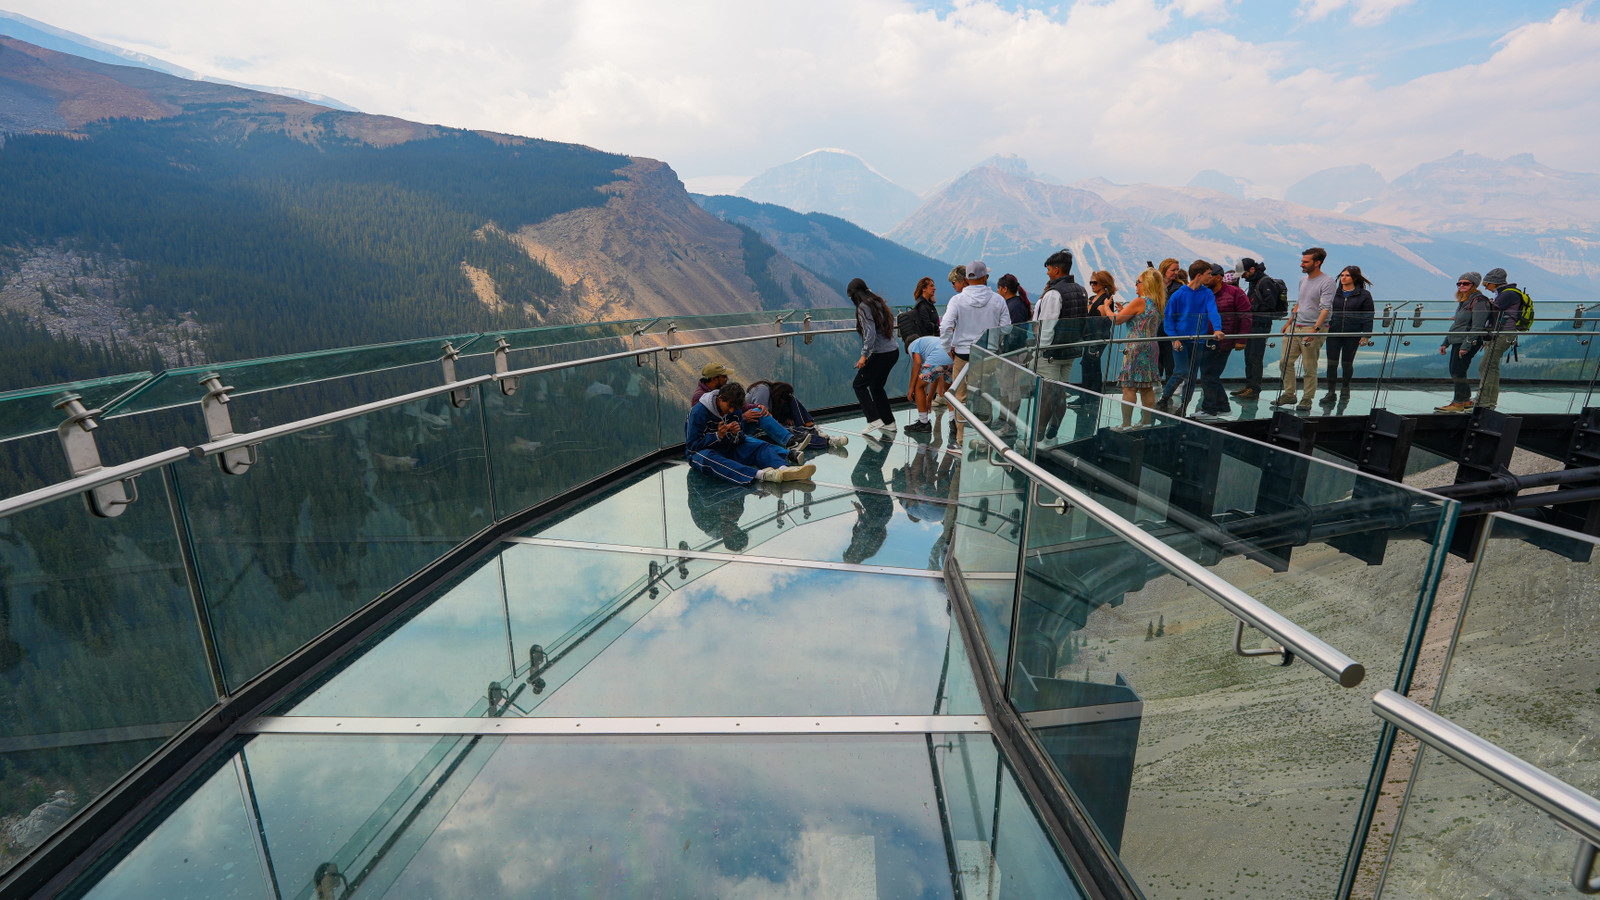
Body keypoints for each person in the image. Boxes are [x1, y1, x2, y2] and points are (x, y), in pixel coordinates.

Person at [939, 259, 1012, 447]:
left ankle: (961, 440)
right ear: (986, 277)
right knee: (985, 396)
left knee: (960, 398)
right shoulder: (998, 300)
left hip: (963, 355)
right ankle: (983, 440)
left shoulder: (957, 300)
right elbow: (1006, 328)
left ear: (967, 279)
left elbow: (946, 326)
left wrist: (948, 348)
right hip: (988, 354)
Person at [687, 382, 815, 485]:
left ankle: (784, 469)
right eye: (729, 406)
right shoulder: (698, 412)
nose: (731, 410)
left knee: (759, 447)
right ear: (720, 399)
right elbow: (692, 446)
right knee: (709, 458)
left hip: (728, 447)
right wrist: (717, 436)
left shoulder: (735, 410)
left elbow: (740, 439)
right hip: (703, 452)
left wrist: (735, 433)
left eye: (734, 408)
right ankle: (760, 475)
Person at [1032, 249, 1090, 439]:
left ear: (1057, 270)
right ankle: (1055, 425)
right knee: (1061, 390)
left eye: (1049, 269)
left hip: (1052, 353)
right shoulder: (1082, 290)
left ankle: (1038, 433)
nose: (1048, 273)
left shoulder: (1053, 294)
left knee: (1047, 392)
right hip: (1072, 350)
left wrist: (1041, 350)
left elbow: (1047, 326)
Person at [1273, 246, 1336, 412]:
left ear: (1317, 263)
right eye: (1302, 261)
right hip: (1296, 327)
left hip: (1313, 328)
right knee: (1284, 362)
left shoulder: (1327, 281)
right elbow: (1300, 304)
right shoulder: (1303, 280)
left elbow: (1326, 308)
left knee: (1309, 367)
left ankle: (1307, 399)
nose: (1302, 264)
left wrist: (1315, 330)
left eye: (1305, 262)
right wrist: (1289, 323)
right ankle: (1289, 393)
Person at [1157, 260, 1224, 415]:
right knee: (1181, 371)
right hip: (1181, 339)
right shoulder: (1179, 294)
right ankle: (1164, 399)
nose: (1210, 276)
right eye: (1208, 274)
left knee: (1192, 376)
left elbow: (1213, 311)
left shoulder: (1206, 293)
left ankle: (1183, 408)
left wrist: (1217, 329)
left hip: (1198, 340)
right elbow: (1168, 318)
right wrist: (1174, 338)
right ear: (1199, 275)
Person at [1110, 267, 1165, 428]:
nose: (1136, 286)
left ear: (1145, 283)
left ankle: (1126, 424)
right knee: (1147, 387)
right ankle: (1146, 422)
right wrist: (1126, 313)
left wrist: (1105, 309)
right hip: (1151, 347)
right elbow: (1141, 320)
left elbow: (1117, 320)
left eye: (1138, 282)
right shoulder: (1157, 303)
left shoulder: (1140, 301)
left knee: (1129, 387)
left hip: (1135, 347)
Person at [692, 361, 796, 447]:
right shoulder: (700, 398)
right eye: (724, 376)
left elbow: (742, 406)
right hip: (724, 436)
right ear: (714, 379)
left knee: (759, 412)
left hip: (737, 426)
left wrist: (758, 406)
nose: (727, 379)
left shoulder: (721, 390)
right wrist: (743, 417)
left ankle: (789, 441)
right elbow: (711, 424)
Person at [1197, 263, 1250, 417]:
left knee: (1209, 374)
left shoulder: (1236, 293)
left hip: (1223, 341)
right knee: (1210, 374)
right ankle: (1223, 407)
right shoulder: (1204, 293)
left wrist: (1242, 339)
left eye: (1209, 275)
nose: (1205, 278)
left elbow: (1246, 316)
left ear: (1218, 277)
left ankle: (1210, 409)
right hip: (1205, 339)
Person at [849, 277, 900, 435]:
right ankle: (889, 422)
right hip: (892, 352)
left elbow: (869, 333)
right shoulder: (876, 302)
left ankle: (874, 420)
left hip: (882, 354)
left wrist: (863, 356)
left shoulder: (863, 307)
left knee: (859, 384)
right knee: (876, 387)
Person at [1474, 267, 1528, 412]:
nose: (1486, 288)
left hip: (1503, 334)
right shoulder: (1509, 293)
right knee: (1491, 366)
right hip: (1504, 334)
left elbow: (1490, 311)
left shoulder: (1507, 294)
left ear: (1495, 282)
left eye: (1487, 285)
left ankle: (1484, 401)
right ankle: (1488, 400)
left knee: (1486, 366)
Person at [1435, 272, 1489, 412]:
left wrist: (1466, 346)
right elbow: (1457, 325)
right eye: (1459, 283)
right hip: (1458, 340)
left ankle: (1458, 402)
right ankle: (1465, 401)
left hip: (1468, 341)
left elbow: (1477, 326)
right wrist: (1445, 342)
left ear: (1474, 285)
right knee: (1457, 370)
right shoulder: (1465, 301)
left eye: (1466, 283)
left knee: (1457, 371)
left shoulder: (1479, 301)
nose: (1461, 286)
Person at [1321, 265, 1375, 404]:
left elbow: (1368, 316)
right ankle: (1331, 392)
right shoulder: (1334, 293)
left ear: (1354, 278)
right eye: (1342, 275)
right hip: (1334, 332)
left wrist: (1366, 334)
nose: (1343, 278)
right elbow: (1324, 310)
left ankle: (1345, 388)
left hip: (1352, 333)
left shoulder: (1364, 295)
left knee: (1347, 363)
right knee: (1331, 363)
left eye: (1347, 275)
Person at [746, 380, 849, 448]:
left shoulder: (771, 392)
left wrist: (784, 418)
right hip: (755, 429)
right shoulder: (762, 391)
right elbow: (762, 416)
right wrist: (777, 424)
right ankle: (826, 441)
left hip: (765, 421)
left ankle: (809, 427)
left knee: (791, 398)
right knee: (789, 431)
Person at [1234, 257, 1283, 399]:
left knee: (1255, 357)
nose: (1243, 277)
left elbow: (1270, 304)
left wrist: (1250, 309)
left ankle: (1254, 388)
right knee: (1249, 356)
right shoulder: (1255, 281)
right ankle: (1249, 385)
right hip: (1253, 324)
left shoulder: (1265, 282)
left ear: (1252, 270)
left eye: (1244, 274)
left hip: (1260, 325)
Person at [905, 334, 953, 433]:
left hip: (938, 358)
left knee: (919, 387)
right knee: (949, 390)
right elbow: (934, 378)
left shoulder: (912, 345)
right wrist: (929, 399)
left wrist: (911, 388)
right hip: (951, 358)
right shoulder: (929, 342)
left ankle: (923, 423)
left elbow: (917, 363)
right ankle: (953, 422)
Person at [1082, 270, 1118, 395]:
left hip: (1098, 336)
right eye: (1091, 282)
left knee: (1089, 364)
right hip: (1090, 336)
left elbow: (1102, 317)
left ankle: (1089, 395)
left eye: (1095, 282)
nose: (1092, 284)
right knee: (1090, 364)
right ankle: (1090, 394)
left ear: (1103, 283)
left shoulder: (1106, 299)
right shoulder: (1092, 299)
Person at [1158, 257, 1184, 381]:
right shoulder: (1155, 286)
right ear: (1164, 270)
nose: (1176, 273)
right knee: (1157, 358)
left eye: (1177, 270)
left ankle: (1170, 388)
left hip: (1172, 327)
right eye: (1173, 270)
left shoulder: (1180, 287)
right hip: (1156, 327)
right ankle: (1156, 384)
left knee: (1170, 360)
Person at [996, 273, 1033, 354]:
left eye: (999, 288)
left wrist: (1006, 350)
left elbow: (1015, 332)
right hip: (1018, 349)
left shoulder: (1014, 306)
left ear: (1005, 289)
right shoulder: (1019, 302)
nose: (997, 290)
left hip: (1014, 352)